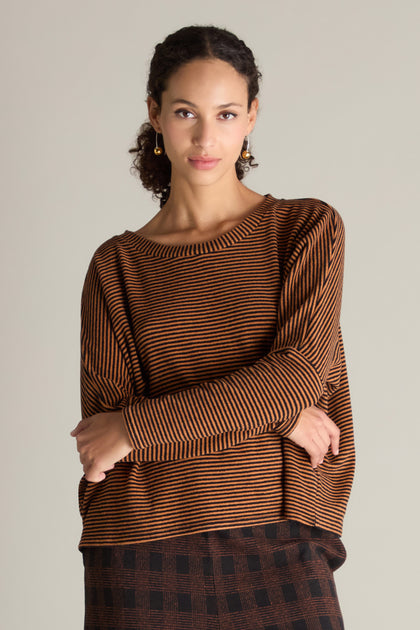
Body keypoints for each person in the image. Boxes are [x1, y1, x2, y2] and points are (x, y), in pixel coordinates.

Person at [71, 24, 355, 630]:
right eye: (185, 112)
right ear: (154, 114)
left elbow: (299, 375)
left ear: (252, 115)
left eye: (226, 114)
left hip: (278, 528)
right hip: (139, 538)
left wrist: (140, 426)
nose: (205, 137)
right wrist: (274, 410)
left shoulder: (303, 231)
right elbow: (104, 444)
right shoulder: (117, 265)